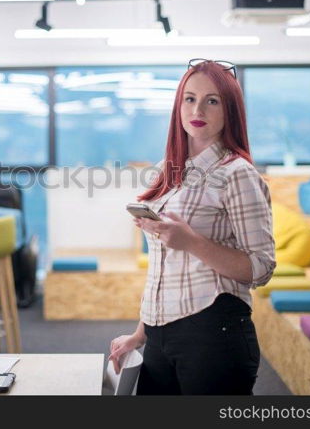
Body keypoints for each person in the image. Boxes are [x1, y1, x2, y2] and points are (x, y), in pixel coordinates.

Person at [109, 59, 276, 395]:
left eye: (212, 100)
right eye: (189, 98)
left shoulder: (236, 173)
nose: (197, 108)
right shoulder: (168, 171)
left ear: (229, 110)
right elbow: (164, 265)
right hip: (160, 336)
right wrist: (141, 333)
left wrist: (192, 242)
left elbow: (260, 268)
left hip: (214, 335)